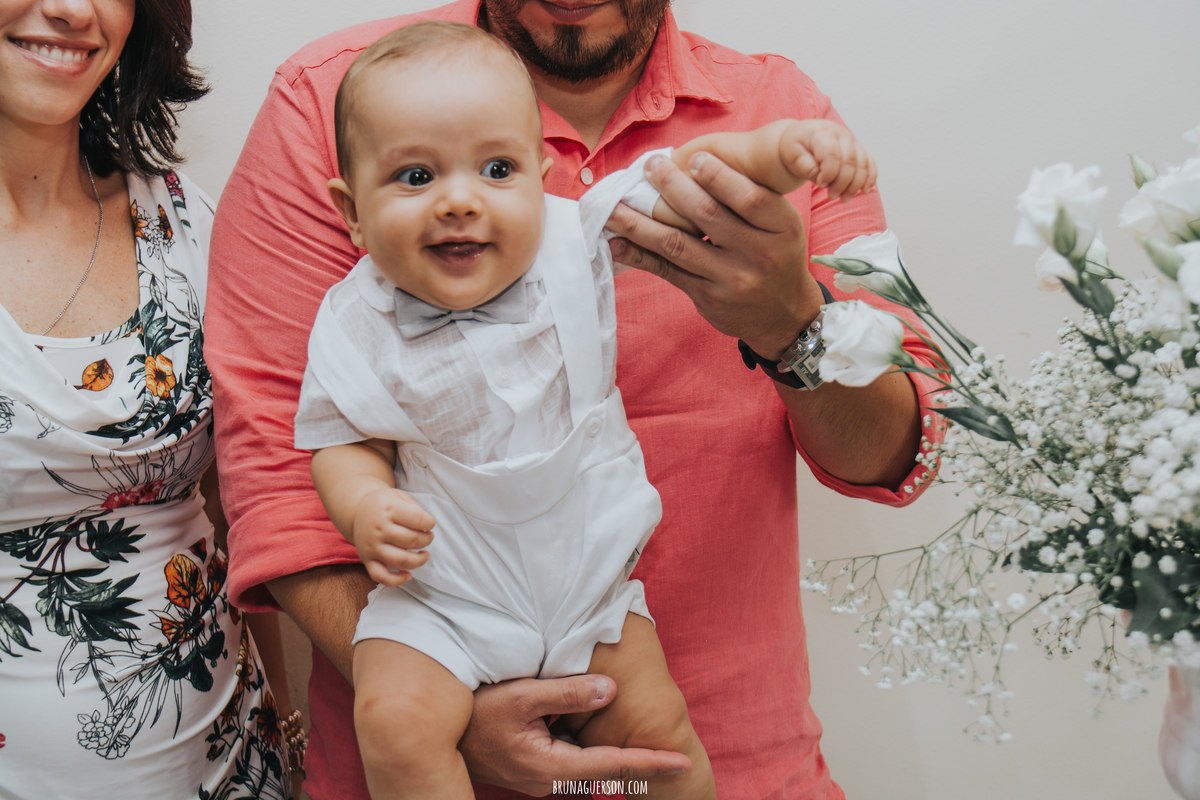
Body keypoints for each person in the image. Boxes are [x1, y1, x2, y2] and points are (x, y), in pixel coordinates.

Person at [206, 1, 944, 798]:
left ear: (533, 167)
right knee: (402, 717)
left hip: (714, 724)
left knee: (666, 758)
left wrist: (792, 319)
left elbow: (894, 455)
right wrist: (455, 718)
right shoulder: (335, 102)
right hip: (441, 629)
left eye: (497, 169)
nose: (459, 201)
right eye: (417, 176)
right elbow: (286, 465)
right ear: (353, 210)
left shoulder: (750, 115)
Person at [0, 1, 294, 797]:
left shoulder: (184, 217)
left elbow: (243, 507)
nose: (67, 10)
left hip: (235, 764)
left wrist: (290, 741)